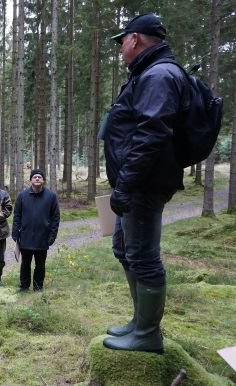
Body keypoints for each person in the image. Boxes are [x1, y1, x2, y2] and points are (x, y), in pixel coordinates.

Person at [102, 14, 186, 354]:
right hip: (134, 183)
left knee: (144, 257)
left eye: (122, 41)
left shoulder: (159, 75)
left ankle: (148, 334)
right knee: (124, 249)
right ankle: (140, 322)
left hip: (143, 185)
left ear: (135, 39)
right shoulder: (149, 73)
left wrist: (126, 185)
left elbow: (151, 134)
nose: (121, 48)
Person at [12, 169, 60, 293]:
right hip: (26, 237)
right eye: (35, 177)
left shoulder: (51, 196)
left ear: (43, 180)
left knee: (40, 265)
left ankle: (38, 287)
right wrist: (15, 232)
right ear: (31, 180)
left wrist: (52, 236)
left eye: (39, 177)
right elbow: (17, 215)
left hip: (42, 238)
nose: (37, 179)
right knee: (25, 264)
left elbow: (55, 218)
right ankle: (24, 286)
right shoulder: (22, 196)